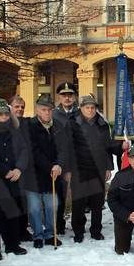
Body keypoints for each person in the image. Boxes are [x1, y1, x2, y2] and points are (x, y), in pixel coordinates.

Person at [0, 99, 29, 260]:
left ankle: (12, 244)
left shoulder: (15, 130)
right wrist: (5, 170)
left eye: (5, 114)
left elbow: (24, 151)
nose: (3, 117)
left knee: (14, 212)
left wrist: (19, 169)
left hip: (14, 177)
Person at [70, 95, 114, 242]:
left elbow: (107, 147)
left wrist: (109, 167)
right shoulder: (73, 123)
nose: (90, 110)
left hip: (98, 168)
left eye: (93, 107)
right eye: (87, 107)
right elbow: (67, 147)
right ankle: (78, 231)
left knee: (97, 202)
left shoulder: (102, 124)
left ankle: (96, 230)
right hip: (79, 168)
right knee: (79, 203)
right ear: (81, 108)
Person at [28, 94, 69, 248]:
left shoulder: (58, 125)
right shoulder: (30, 126)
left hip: (54, 173)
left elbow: (63, 148)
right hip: (34, 174)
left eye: (49, 110)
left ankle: (51, 234)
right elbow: (34, 151)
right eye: (43, 110)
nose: (47, 113)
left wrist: (59, 164)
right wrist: (49, 166)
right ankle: (38, 235)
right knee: (35, 208)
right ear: (37, 110)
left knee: (52, 206)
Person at [53, 81, 78, 234]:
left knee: (78, 196)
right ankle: (59, 225)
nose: (67, 98)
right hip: (60, 161)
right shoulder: (54, 114)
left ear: (74, 97)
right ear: (59, 97)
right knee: (60, 196)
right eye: (64, 95)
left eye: (70, 95)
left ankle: (77, 224)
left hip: (77, 161)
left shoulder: (81, 113)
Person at [9, 95, 34, 242]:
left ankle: (23, 230)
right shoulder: (5, 122)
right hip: (10, 169)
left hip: (26, 169)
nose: (20, 109)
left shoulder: (28, 123)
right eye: (17, 106)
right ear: (10, 107)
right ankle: (12, 233)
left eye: (22, 107)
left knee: (24, 202)